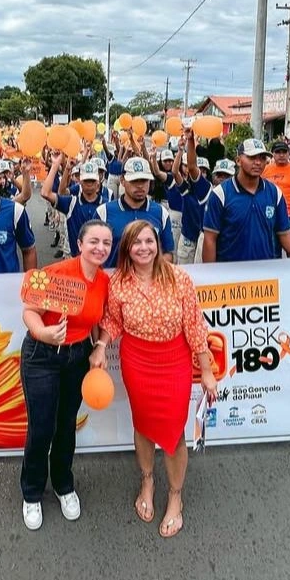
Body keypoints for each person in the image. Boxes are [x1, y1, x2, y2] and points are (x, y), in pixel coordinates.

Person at [91, 220, 217, 538]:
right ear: (127, 248)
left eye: (150, 241)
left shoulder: (179, 278)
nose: (144, 247)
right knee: (143, 426)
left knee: (174, 433)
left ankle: (175, 497)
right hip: (137, 362)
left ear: (158, 244)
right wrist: (101, 345)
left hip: (174, 361)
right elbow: (112, 321)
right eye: (137, 242)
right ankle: (147, 479)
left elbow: (195, 326)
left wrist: (205, 371)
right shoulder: (118, 283)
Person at [19, 220, 114, 531]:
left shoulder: (103, 281)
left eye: (106, 243)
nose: (100, 248)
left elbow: (101, 321)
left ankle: (63, 484)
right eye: (94, 242)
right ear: (80, 244)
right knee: (41, 427)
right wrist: (43, 332)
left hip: (76, 357)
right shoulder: (58, 272)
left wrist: (99, 346)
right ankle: (32, 492)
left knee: (65, 425)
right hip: (41, 356)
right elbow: (29, 310)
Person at [202, 140, 290, 277]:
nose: (258, 162)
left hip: (266, 279)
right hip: (231, 279)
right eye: (252, 157)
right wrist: (209, 278)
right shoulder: (220, 195)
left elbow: (285, 235)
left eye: (262, 158)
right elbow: (210, 240)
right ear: (238, 160)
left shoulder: (274, 193)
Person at [95, 157, 175, 268]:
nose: (140, 185)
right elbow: (93, 254)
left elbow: (168, 253)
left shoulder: (161, 213)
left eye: (144, 180)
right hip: (112, 282)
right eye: (134, 181)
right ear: (122, 180)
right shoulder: (103, 212)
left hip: (149, 283)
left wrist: (147, 271)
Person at [40, 153, 106, 259]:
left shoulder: (106, 205)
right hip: (75, 260)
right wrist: (56, 165)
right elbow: (45, 193)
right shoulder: (71, 203)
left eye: (92, 181)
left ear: (98, 185)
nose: (89, 184)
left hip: (99, 260)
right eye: (86, 180)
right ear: (80, 183)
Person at [173, 130, 212, 265]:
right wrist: (181, 149)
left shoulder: (208, 190)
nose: (201, 173)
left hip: (203, 238)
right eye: (199, 169)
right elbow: (175, 171)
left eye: (204, 171)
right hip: (188, 238)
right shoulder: (186, 189)